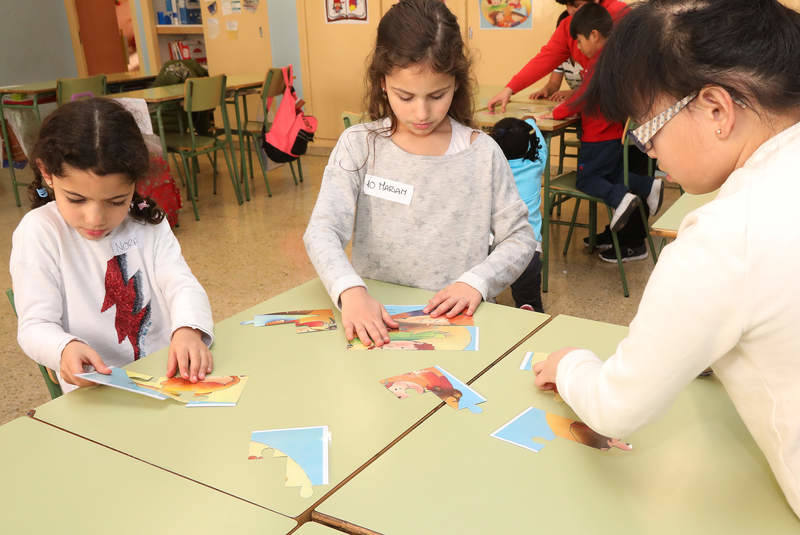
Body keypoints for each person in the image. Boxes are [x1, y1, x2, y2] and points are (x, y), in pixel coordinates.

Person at [533, 0, 800, 518]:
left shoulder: (725, 237)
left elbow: (616, 407)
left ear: (716, 110)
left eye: (649, 122)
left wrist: (569, 364)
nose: (648, 147)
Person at [303, 0, 536, 348]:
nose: (422, 112)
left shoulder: (482, 153)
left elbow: (519, 239)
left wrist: (476, 281)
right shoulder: (359, 146)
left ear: (456, 84)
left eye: (437, 95)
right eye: (405, 96)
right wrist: (349, 291)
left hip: (455, 325)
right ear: (383, 82)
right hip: (374, 320)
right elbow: (322, 230)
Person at [10, 98, 215, 394]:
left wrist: (188, 329)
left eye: (116, 201)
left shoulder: (147, 221)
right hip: (96, 390)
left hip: (166, 375)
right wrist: (63, 348)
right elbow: (35, 325)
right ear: (47, 173)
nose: (95, 219)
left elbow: (181, 284)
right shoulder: (40, 232)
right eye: (77, 199)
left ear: (135, 184)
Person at [539, 3, 662, 260]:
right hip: (612, 135)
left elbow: (583, 96)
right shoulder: (613, 60)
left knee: (587, 179)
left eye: (580, 41)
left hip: (598, 136)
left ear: (594, 35)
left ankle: (620, 198)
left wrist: (557, 113)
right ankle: (648, 185)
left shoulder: (599, 64)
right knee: (614, 172)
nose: (579, 48)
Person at [486, 0, 628, 114]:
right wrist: (509, 90)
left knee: (640, 146)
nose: (570, 11)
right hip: (599, 116)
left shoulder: (619, 13)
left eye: (576, 5)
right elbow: (545, 58)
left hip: (628, 108)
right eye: (566, 5)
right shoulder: (569, 24)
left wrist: (560, 110)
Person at [490, 117, 547, 312]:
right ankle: (529, 314)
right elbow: (536, 136)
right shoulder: (536, 163)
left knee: (483, 296)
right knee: (530, 303)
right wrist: (529, 120)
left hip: (493, 250)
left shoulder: (490, 169)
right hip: (528, 250)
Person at [528, 10, 584, 103]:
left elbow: (596, 89)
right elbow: (554, 84)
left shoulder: (588, 53)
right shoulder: (561, 56)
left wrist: (573, 93)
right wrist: (546, 90)